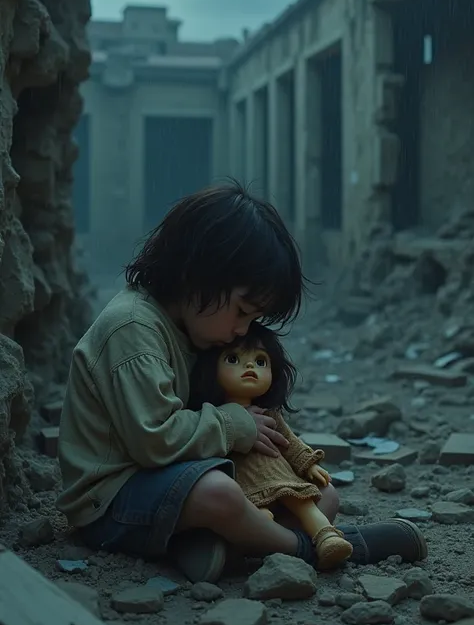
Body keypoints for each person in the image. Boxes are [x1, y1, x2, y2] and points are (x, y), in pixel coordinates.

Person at [56, 183, 427, 583]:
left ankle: (212, 545)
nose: (240, 331)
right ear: (197, 274)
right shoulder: (132, 329)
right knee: (220, 494)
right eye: (242, 312)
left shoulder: (191, 327)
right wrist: (233, 425)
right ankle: (312, 549)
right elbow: (154, 439)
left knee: (320, 496)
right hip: (111, 500)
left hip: (174, 477)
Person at [188, 321, 353, 568]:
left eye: (261, 361)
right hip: (243, 485)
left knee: (308, 500)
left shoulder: (269, 414)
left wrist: (307, 463)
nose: (250, 366)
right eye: (233, 359)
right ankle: (266, 546)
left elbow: (289, 442)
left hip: (280, 475)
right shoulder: (212, 416)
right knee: (254, 515)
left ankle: (326, 536)